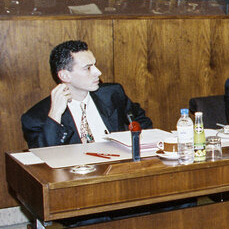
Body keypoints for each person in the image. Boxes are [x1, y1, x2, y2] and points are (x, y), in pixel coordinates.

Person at [21, 40, 152, 148]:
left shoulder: (112, 94)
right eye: (88, 68)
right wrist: (55, 114)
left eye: (95, 65)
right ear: (65, 75)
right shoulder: (36, 117)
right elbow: (43, 158)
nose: (98, 72)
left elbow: (143, 123)